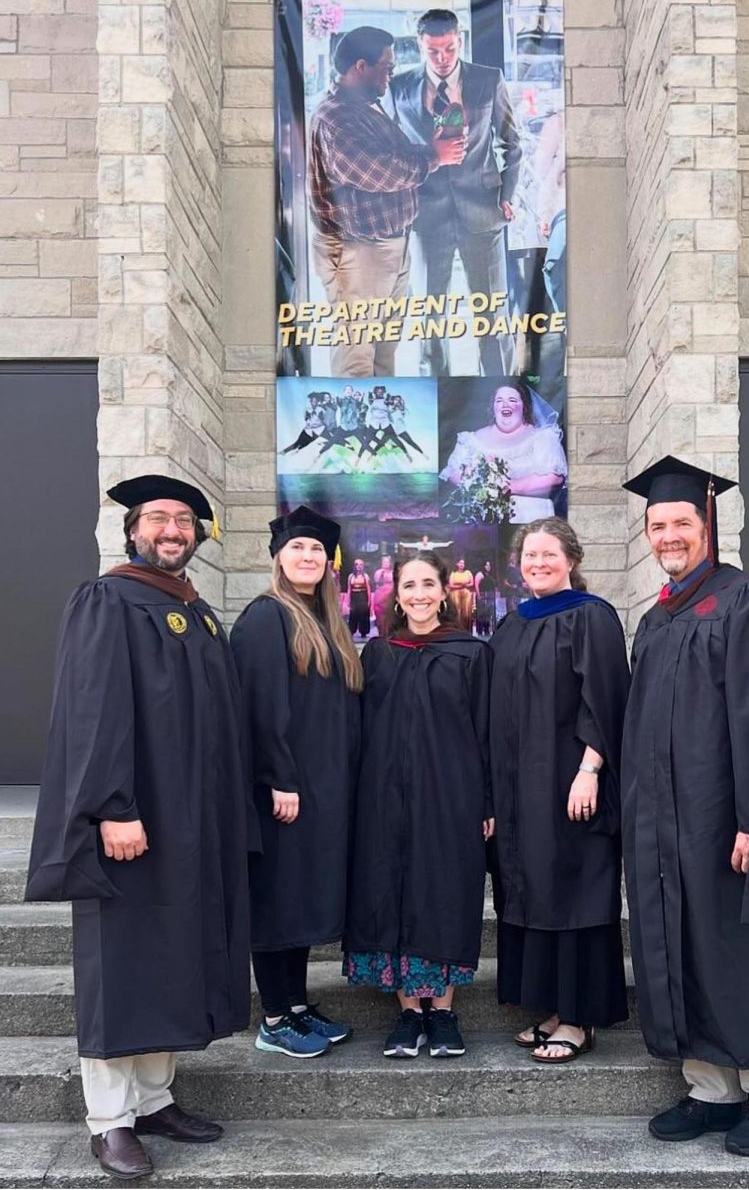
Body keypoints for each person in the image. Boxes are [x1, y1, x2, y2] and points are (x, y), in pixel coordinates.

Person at [25, 475, 251, 1180]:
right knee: (122, 966)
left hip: (190, 824)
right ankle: (108, 1121)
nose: (173, 530)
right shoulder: (108, 600)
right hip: (133, 821)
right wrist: (112, 808)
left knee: (172, 956)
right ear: (132, 531)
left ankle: (154, 1101)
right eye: (159, 519)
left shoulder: (196, 610)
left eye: (184, 520)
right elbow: (92, 712)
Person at [621, 455, 749, 1157]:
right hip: (666, 822)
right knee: (684, 940)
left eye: (680, 522)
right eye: (657, 525)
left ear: (707, 524)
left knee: (741, 946)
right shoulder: (656, 620)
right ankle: (710, 1087)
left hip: (726, 818)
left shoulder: (747, 600)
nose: (667, 535)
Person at [489, 517, 629, 1064]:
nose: (539, 563)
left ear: (571, 559)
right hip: (521, 792)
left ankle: (578, 1019)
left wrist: (591, 768)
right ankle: (550, 1009)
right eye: (530, 555)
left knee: (574, 893)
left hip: (573, 785)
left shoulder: (591, 618)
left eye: (549, 554)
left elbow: (608, 698)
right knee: (532, 891)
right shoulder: (512, 625)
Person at [344, 551, 494, 1058]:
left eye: (428, 584)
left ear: (444, 591)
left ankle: (445, 1012)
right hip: (384, 799)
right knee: (393, 892)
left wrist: (487, 800)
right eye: (409, 585)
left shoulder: (470, 653)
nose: (419, 594)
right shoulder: (378, 654)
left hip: (452, 798)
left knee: (446, 893)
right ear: (397, 593)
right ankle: (409, 1014)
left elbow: (488, 732)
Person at [230, 506, 363, 1059]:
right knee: (279, 900)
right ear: (278, 558)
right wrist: (280, 778)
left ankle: (299, 1004)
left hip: (323, 790)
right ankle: (275, 1017)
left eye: (316, 551)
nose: (307, 557)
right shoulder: (266, 618)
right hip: (283, 792)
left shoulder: (327, 622)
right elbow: (261, 711)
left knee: (303, 897)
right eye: (297, 549)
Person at [308, 26, 466, 378]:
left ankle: (381, 427)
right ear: (360, 67)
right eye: (387, 66)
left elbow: (390, 154)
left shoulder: (365, 107)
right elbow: (377, 172)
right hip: (359, 253)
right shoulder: (335, 116)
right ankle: (355, 431)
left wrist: (430, 148)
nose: (391, 74)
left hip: (387, 248)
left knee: (382, 353)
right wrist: (434, 158)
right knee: (357, 357)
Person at [390, 9, 522, 376]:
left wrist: (507, 194)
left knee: (492, 313)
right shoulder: (400, 88)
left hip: (483, 210)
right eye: (434, 52)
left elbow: (512, 142)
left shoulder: (487, 80)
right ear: (420, 46)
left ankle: (500, 395)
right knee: (431, 315)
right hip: (425, 216)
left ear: (459, 40)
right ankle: (437, 400)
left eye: (449, 48)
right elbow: (392, 153)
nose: (443, 58)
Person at [440, 382, 567, 523]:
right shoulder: (471, 440)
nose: (505, 405)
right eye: (499, 400)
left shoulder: (542, 437)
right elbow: (452, 472)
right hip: (482, 520)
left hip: (531, 516)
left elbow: (554, 478)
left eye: (512, 400)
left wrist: (506, 488)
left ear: (524, 406)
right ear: (493, 407)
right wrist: (478, 487)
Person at [347, 557, 373, 638]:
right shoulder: (351, 576)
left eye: (361, 564)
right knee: (353, 614)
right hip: (354, 597)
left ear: (363, 566)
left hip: (363, 597)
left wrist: (369, 601)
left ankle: (363, 632)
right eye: (357, 564)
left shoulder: (365, 576)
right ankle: (351, 631)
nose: (359, 566)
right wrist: (348, 600)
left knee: (363, 615)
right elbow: (349, 589)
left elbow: (369, 589)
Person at [447, 557, 474, 632]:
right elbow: (450, 585)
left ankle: (466, 630)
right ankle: (457, 629)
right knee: (457, 611)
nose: (462, 565)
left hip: (466, 593)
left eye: (463, 563)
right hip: (455, 593)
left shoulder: (468, 572)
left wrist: (465, 585)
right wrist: (460, 585)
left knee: (466, 613)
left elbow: (472, 583)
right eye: (460, 563)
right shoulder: (453, 573)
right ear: (457, 564)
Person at [474, 558, 498, 636]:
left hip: (490, 597)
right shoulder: (480, 574)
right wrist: (479, 596)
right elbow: (476, 585)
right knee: (481, 614)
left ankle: (487, 630)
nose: (488, 566)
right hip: (483, 596)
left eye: (489, 565)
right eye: (487, 565)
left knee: (488, 615)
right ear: (483, 565)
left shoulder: (489, 575)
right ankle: (480, 631)